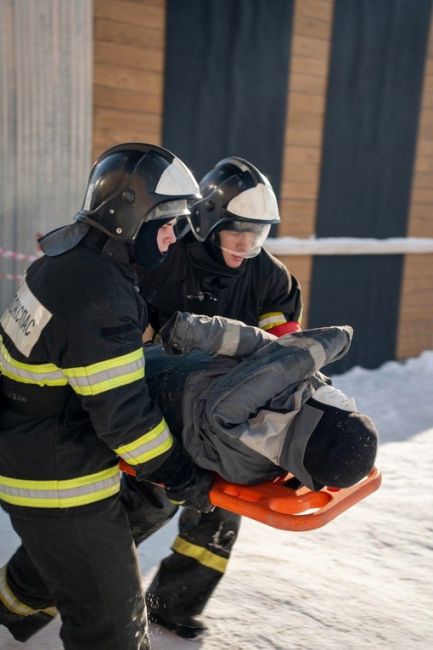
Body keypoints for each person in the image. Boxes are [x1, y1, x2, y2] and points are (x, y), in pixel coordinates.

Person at [0, 143, 214, 650]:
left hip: (32, 452)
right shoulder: (98, 294)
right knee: (113, 627)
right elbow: (126, 419)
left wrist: (147, 320)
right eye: (167, 222)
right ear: (129, 217)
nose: (172, 236)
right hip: (60, 483)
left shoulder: (66, 261)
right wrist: (182, 475)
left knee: (56, 571)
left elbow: (76, 351)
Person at [131, 157, 304, 639]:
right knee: (146, 505)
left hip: (230, 420)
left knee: (221, 516)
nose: (247, 246)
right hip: (158, 413)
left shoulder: (270, 278)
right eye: (237, 233)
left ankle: (173, 606)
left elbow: (284, 353)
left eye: (259, 234)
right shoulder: (165, 257)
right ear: (209, 222)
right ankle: (78, 584)